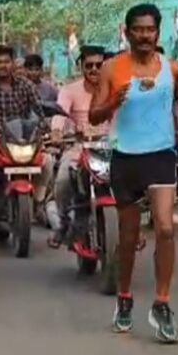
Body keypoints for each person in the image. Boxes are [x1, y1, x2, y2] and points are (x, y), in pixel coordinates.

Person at [90, 3, 178, 343]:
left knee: (166, 228)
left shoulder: (172, 69)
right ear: (127, 32)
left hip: (161, 155)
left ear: (158, 32)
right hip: (126, 157)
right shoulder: (111, 68)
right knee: (128, 236)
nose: (144, 35)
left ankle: (162, 303)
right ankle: (125, 297)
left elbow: (177, 101)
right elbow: (95, 115)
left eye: (150, 30)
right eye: (138, 30)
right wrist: (112, 102)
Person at [0, 45, 54, 217]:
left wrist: (43, 131)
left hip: (24, 141)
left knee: (47, 161)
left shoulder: (26, 85)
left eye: (6, 61)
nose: (3, 66)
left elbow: (39, 113)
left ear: (13, 63)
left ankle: (39, 202)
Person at [47, 45, 109, 247]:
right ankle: (63, 223)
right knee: (63, 179)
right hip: (79, 148)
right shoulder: (69, 90)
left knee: (133, 179)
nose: (94, 69)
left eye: (99, 65)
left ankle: (132, 226)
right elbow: (59, 114)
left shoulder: (115, 90)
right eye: (89, 65)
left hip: (111, 149)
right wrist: (57, 131)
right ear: (81, 67)